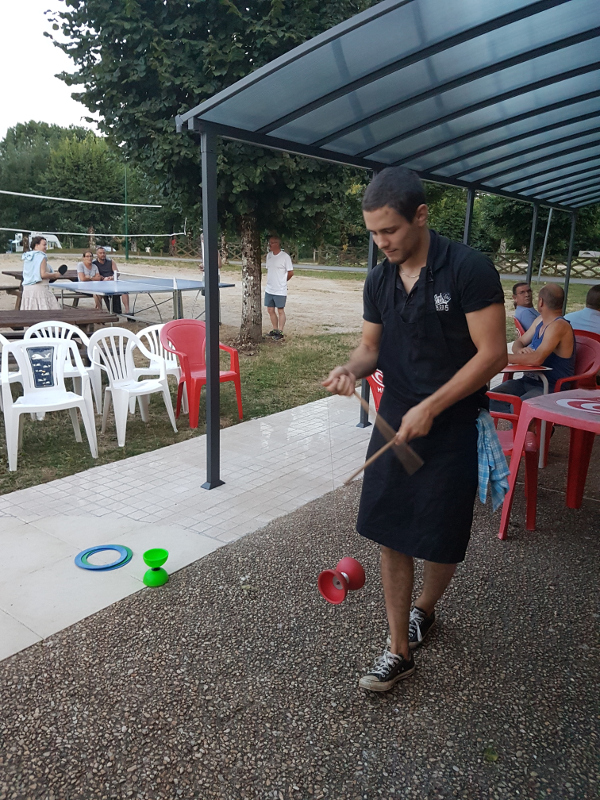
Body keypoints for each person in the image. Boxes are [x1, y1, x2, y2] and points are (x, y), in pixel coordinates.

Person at [323, 167, 507, 692]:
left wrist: (433, 404)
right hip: (395, 416)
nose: (382, 244)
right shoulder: (379, 278)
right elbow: (370, 347)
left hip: (451, 421)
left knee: (443, 539)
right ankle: (397, 648)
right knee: (389, 528)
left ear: (421, 216)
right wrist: (350, 370)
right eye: (374, 234)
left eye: (391, 231)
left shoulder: (467, 269)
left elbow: (493, 354)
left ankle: (425, 608)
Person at [490, 283, 576, 413]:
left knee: (519, 408)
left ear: (540, 302)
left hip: (550, 386)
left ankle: (537, 428)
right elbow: (519, 342)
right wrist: (520, 351)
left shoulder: (559, 326)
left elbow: (537, 359)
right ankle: (530, 426)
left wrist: (501, 357)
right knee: (489, 398)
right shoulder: (540, 320)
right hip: (529, 381)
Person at [264, 235, 293, 340]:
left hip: (280, 289)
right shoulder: (269, 256)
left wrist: (282, 281)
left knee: (280, 310)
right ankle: (274, 329)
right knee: (270, 309)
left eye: (271, 243)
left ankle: (280, 331)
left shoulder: (285, 257)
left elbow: (290, 272)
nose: (269, 245)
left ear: (277, 244)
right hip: (269, 288)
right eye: (269, 243)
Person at [20, 236, 61, 310]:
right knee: (49, 316)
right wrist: (55, 274)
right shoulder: (41, 256)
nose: (46, 247)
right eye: (44, 245)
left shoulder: (27, 256)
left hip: (27, 291)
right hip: (40, 291)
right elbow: (43, 274)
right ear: (36, 245)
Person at [93, 246, 129, 316]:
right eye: (100, 253)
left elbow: (117, 273)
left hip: (113, 282)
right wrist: (103, 278)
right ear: (97, 254)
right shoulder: (94, 264)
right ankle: (99, 310)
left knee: (125, 291)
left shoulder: (111, 262)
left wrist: (112, 277)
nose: (103, 254)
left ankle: (127, 311)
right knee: (97, 293)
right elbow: (95, 275)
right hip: (102, 283)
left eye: (104, 253)